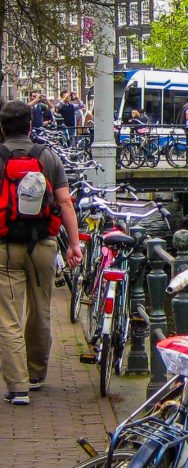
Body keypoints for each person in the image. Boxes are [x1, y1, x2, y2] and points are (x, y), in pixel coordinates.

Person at [0, 100, 82, 405]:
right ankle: (36, 374)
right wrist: (74, 244)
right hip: (44, 244)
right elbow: (65, 203)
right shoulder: (47, 156)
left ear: (2, 127)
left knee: (8, 317)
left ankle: (17, 387)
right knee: (40, 309)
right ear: (30, 125)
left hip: (5, 247)